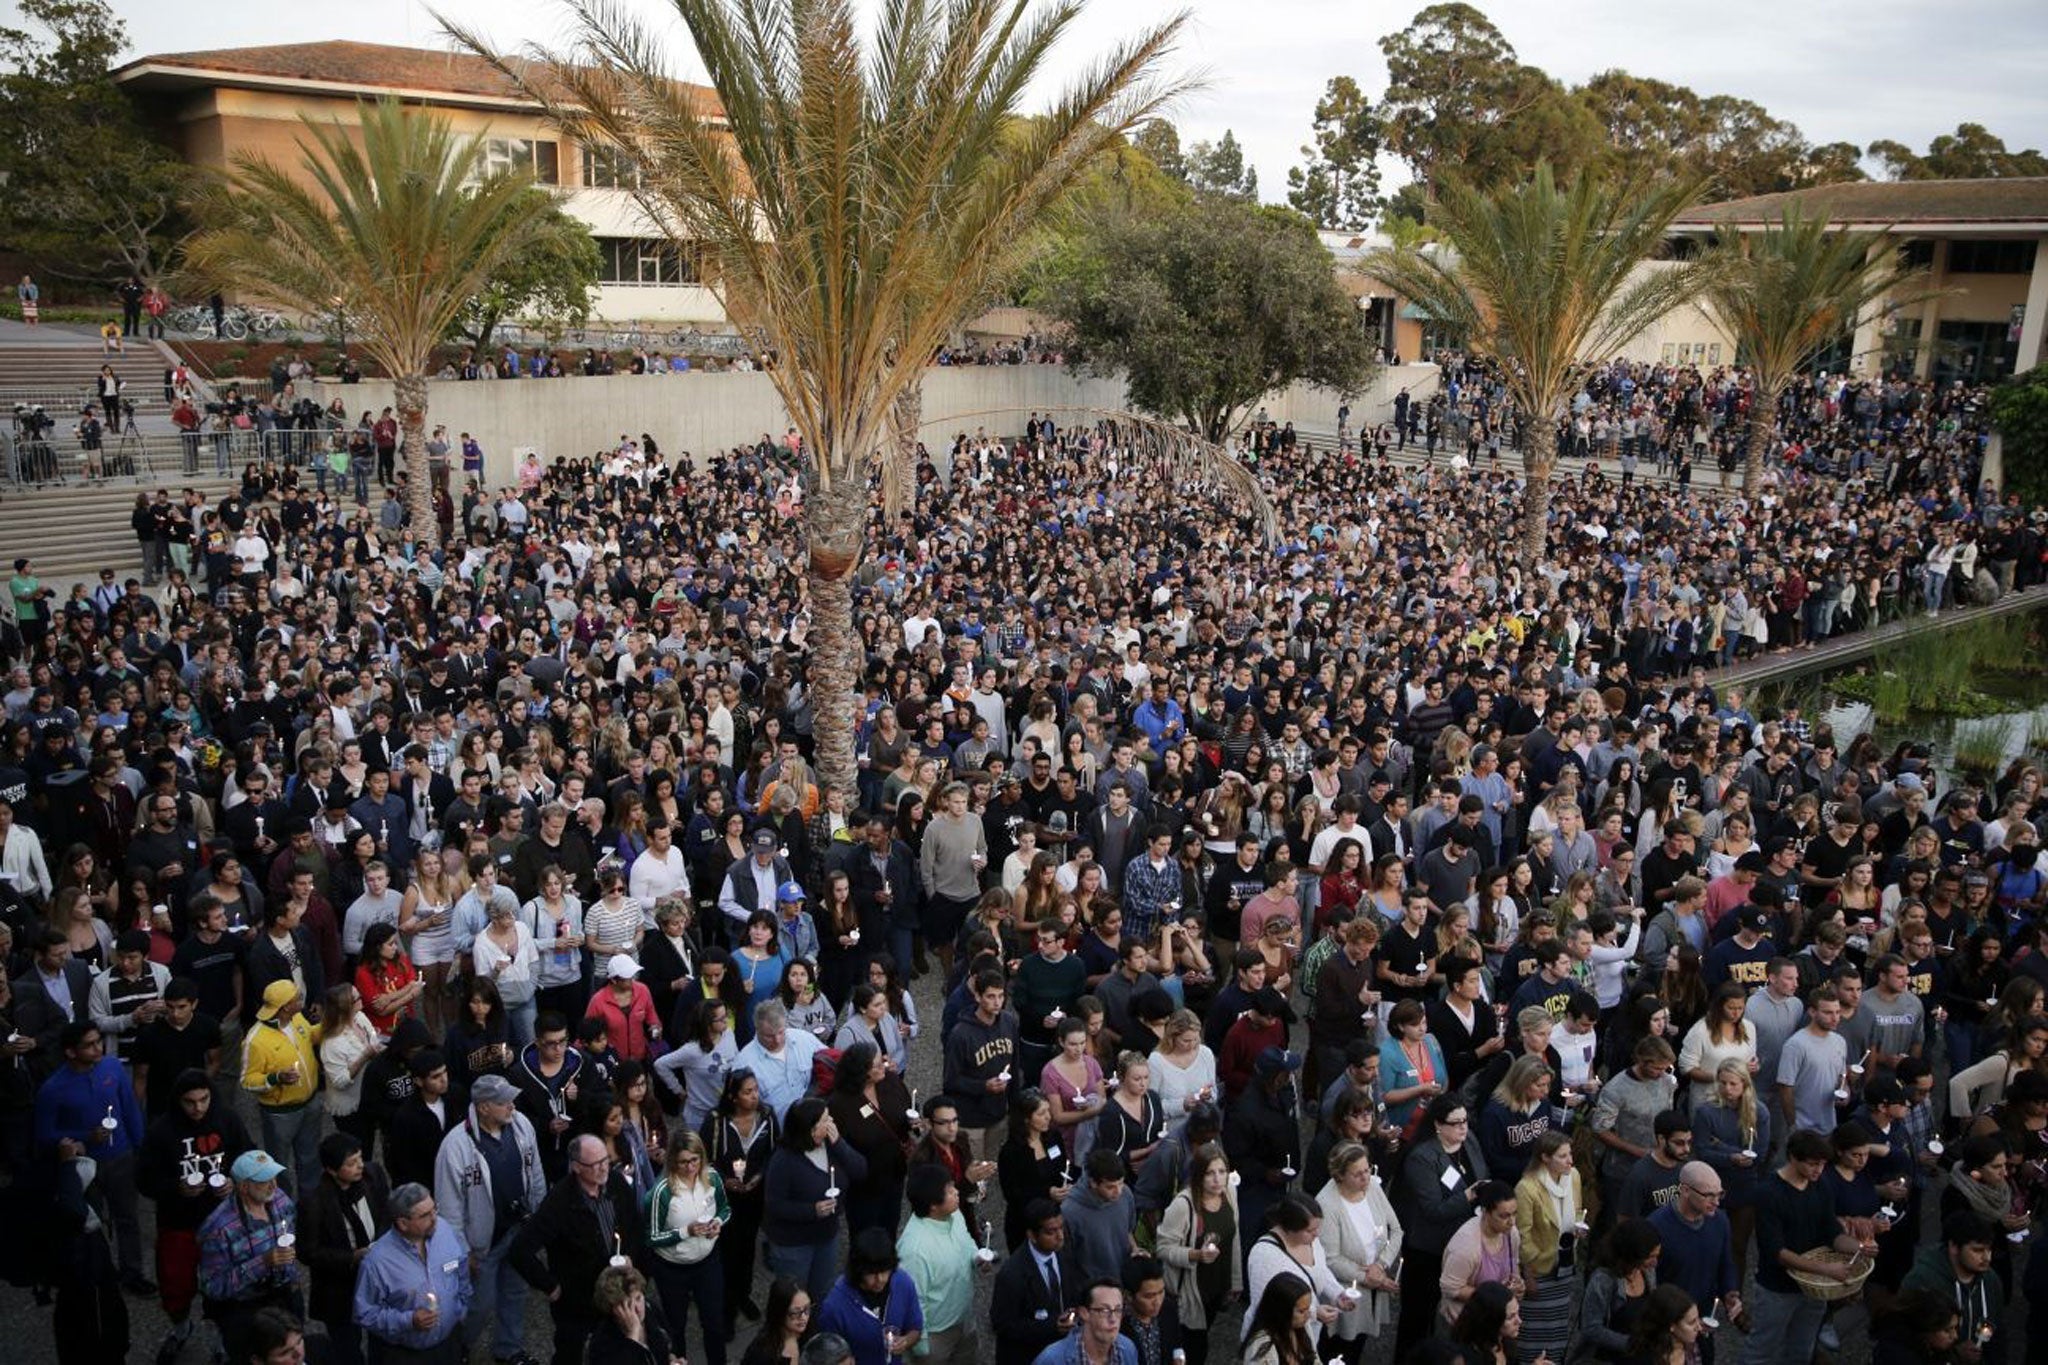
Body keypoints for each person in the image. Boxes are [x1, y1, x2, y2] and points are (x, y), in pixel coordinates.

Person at [433, 1071, 548, 1365]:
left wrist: (538, 1217)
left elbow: (534, 1172)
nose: (512, 1106)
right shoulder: (456, 1146)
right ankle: (459, 1348)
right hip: (481, 1242)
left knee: (516, 1292)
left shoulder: (520, 1125)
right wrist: (462, 1251)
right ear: (484, 1107)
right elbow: (449, 1207)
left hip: (518, 1229)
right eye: (505, 1102)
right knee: (478, 1305)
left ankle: (508, 1349)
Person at [32, 1018, 152, 1292]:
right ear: (71, 1052)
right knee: (90, 1223)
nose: (98, 1049)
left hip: (121, 1157)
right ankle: (97, 1276)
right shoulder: (53, 1090)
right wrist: (85, 1137)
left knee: (128, 1218)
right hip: (85, 1166)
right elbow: (43, 1135)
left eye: (99, 1042)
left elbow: (130, 1109)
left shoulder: (112, 1067)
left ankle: (132, 1273)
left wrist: (140, 1148)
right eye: (89, 1045)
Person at [511, 1132, 647, 1365]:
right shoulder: (559, 1202)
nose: (603, 1168)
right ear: (576, 1167)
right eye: (595, 1165)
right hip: (578, 1304)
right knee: (571, 1355)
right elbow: (520, 1250)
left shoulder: (616, 1183)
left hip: (616, 1295)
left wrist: (631, 1259)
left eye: (605, 1161)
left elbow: (634, 1227)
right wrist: (551, 1286)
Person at [1740, 1129, 1864, 1365]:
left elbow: (1831, 1231)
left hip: (1812, 1290)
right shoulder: (1769, 1193)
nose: (1818, 1170)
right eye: (1812, 1164)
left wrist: (1857, 1247)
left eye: (1823, 1164)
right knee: (1761, 1351)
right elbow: (1776, 1251)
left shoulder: (1821, 1185)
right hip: (1778, 1289)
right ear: (1793, 1157)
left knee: (1801, 1350)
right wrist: (1826, 1270)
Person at [1394, 1093, 1489, 1358]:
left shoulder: (1468, 1141)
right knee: (1417, 1319)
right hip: (1429, 1249)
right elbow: (1433, 1209)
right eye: (1455, 1123)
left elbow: (1483, 1173)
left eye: (1465, 1121)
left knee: (1455, 1317)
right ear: (1437, 1124)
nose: (1463, 1127)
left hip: (1462, 1244)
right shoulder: (1422, 1157)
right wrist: (1469, 1195)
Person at [352, 1180, 475, 1365]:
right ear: (403, 1223)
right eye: (425, 1215)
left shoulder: (444, 1230)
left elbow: (461, 1267)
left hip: (449, 1345)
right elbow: (364, 1313)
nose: (435, 1218)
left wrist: (461, 1309)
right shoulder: (377, 1263)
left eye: (435, 1209)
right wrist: (408, 1321)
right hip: (405, 1356)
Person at [196, 1148, 302, 1360]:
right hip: (244, 1309)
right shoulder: (219, 1229)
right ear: (243, 1186)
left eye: (274, 1177)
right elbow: (213, 1287)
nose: (274, 1185)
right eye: (264, 1181)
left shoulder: (281, 1200)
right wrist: (262, 1263)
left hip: (283, 1296)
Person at [762, 1095, 867, 1305]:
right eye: (825, 1121)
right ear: (810, 1129)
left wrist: (839, 1144)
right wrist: (812, 1210)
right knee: (795, 1298)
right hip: (794, 1244)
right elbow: (775, 1205)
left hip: (826, 1236)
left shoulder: (831, 1146)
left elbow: (860, 1170)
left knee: (822, 1293)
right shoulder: (784, 1161)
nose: (831, 1124)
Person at [298, 1131, 391, 1365]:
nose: (360, 1166)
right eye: (351, 1164)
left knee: (382, 1339)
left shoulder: (373, 1175)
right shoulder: (314, 1202)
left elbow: (386, 1214)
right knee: (347, 1349)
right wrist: (350, 1257)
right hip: (339, 1288)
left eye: (359, 1158)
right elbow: (308, 1251)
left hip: (378, 1277)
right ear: (331, 1170)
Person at [645, 1128, 731, 1365]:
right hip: (672, 1268)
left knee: (714, 1323)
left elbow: (725, 1209)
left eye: (695, 1160)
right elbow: (651, 1237)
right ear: (673, 1161)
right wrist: (686, 1231)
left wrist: (717, 1222)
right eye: (683, 1162)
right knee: (676, 1326)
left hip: (708, 1262)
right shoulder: (661, 1193)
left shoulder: (712, 1177)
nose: (690, 1167)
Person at [1314, 1140, 1402, 1363]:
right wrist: (1369, 1277)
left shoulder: (1372, 1186)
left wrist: (1381, 1265)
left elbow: (1396, 1230)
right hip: (1345, 1290)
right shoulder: (1327, 1204)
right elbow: (1331, 1259)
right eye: (1357, 1174)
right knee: (1336, 1350)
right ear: (1340, 1175)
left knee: (1357, 1346)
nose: (1365, 1178)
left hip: (1374, 1280)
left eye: (1367, 1170)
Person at [239, 980, 326, 1198]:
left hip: (310, 1103)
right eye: (296, 998)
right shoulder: (255, 1040)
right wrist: (276, 1078)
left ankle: (310, 1208)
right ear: (285, 1006)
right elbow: (247, 1080)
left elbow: (311, 1036)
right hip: (280, 1114)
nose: (300, 999)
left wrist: (330, 1025)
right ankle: (281, 1206)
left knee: (310, 1158)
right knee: (279, 1165)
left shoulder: (297, 1018)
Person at [1648, 1162, 1741, 1363]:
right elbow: (1650, 1282)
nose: (1716, 1202)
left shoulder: (1720, 1221)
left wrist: (1729, 1293)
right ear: (1685, 1190)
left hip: (1703, 1320)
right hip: (1669, 1325)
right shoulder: (1657, 1226)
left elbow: (1725, 1263)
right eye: (1709, 1195)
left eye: (1720, 1194)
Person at [897, 1162, 986, 1365]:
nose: (957, 1192)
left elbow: (967, 1243)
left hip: (964, 1319)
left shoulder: (953, 1214)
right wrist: (922, 1347)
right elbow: (914, 1301)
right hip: (936, 1335)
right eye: (949, 1191)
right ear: (933, 1206)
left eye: (953, 1186)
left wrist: (977, 1258)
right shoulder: (915, 1250)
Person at [1901, 1211, 2004, 1363]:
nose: (1987, 1258)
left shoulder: (1991, 1281)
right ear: (1954, 1247)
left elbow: (1997, 1330)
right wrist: (1952, 1354)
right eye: (1977, 1250)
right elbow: (1904, 1338)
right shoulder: (1922, 1281)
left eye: (1989, 1249)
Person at [991, 1200, 1085, 1365]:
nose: (1060, 1236)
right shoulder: (1012, 1275)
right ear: (1032, 1236)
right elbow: (1003, 1324)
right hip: (1029, 1355)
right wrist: (1051, 1326)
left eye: (1061, 1228)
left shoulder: (1064, 1252)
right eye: (1051, 1232)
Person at [816, 1226, 925, 1365]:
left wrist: (906, 1341)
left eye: (885, 1271)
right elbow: (829, 1357)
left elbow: (915, 1327)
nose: (880, 1279)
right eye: (872, 1273)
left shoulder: (903, 1282)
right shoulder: (834, 1306)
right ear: (858, 1270)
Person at [585, 1261, 684, 1365]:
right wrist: (633, 1334)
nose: (637, 1308)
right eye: (627, 1304)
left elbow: (668, 1344)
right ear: (613, 1307)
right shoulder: (601, 1343)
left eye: (638, 1298)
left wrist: (672, 1359)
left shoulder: (650, 1309)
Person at [1030, 1275, 1137, 1365]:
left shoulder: (1127, 1349)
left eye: (1118, 1310)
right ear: (1084, 1313)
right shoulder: (1052, 1360)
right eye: (1104, 1310)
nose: (1113, 1319)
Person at [1242, 1270, 1317, 1365]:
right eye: (1301, 1311)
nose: (1308, 1315)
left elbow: (1315, 1359)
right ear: (1282, 1311)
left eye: (1308, 1308)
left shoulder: (1303, 1327)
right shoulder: (1262, 1346)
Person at [1446, 1281, 1523, 1365]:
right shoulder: (1467, 1356)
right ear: (1492, 1320)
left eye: (1517, 1313)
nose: (1519, 1321)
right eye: (1510, 1317)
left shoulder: (1508, 1344)